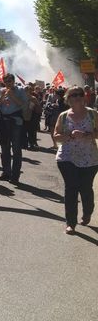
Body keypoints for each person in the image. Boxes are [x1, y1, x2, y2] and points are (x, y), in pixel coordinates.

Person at [53, 86, 98, 234]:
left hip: (89, 158)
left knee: (85, 188)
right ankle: (70, 223)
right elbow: (56, 136)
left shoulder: (92, 114)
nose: (77, 97)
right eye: (73, 95)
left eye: (80, 94)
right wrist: (70, 135)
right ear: (68, 98)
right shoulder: (64, 116)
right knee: (71, 188)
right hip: (67, 157)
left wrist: (86, 135)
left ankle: (87, 212)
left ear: (84, 97)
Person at [0, 73, 28, 184]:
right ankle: (6, 172)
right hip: (4, 121)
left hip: (16, 122)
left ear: (13, 81)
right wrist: (3, 96)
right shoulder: (1, 90)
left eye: (10, 81)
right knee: (4, 148)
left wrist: (12, 96)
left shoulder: (20, 90)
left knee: (16, 149)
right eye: (6, 81)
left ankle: (15, 175)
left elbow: (23, 105)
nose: (8, 83)